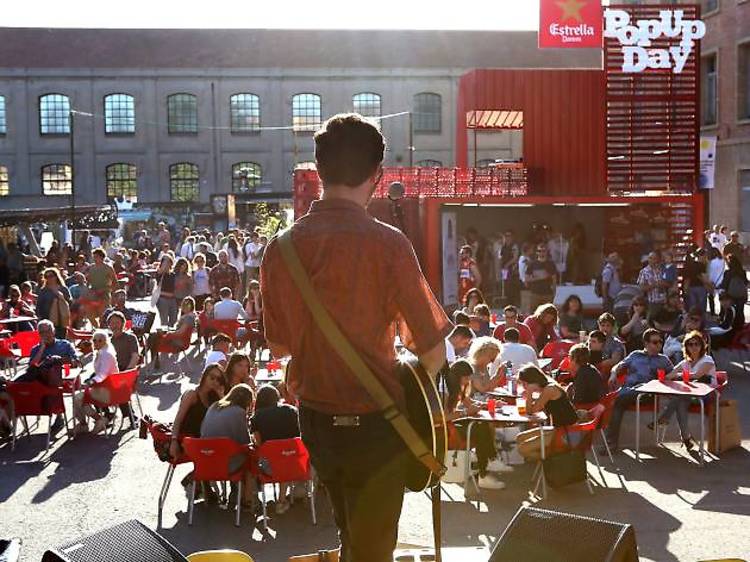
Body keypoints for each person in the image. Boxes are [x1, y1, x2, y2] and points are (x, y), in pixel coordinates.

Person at [260, 113, 450, 562]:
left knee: (351, 534)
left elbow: (279, 347)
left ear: (319, 170)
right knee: (374, 547)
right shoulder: (388, 244)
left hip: (318, 421)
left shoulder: (281, 248)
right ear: (377, 176)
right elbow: (434, 351)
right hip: (377, 423)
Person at [603, 329, 673, 452]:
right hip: (629, 390)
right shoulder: (635, 355)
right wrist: (613, 374)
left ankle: (610, 443)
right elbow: (618, 366)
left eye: (660, 342)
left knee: (617, 400)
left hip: (648, 392)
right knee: (617, 401)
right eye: (655, 342)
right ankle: (610, 442)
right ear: (646, 343)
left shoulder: (663, 360)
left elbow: (673, 375)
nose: (659, 345)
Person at [443, 360, 508, 490]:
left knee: (482, 424)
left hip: (454, 424)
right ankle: (486, 469)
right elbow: (444, 417)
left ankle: (489, 462)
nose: (468, 381)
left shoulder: (458, 389)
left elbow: (469, 402)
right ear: (457, 376)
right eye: (466, 377)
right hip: (447, 430)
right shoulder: (447, 392)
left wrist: (487, 404)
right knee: (479, 429)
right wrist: (466, 413)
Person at [649, 331, 716, 450]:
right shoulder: (685, 362)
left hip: (706, 395)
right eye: (691, 344)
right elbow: (670, 375)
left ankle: (663, 419)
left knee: (679, 398)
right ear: (686, 347)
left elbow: (696, 375)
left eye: (697, 344)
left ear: (702, 346)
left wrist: (679, 375)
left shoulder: (708, 359)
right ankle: (686, 438)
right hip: (689, 395)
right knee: (680, 402)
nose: (694, 347)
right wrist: (661, 377)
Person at [16, 319, 78, 435]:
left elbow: (77, 362)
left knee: (53, 381)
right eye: (42, 332)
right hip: (41, 382)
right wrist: (42, 349)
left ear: (53, 331)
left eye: (48, 331)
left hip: (63, 378)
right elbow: (31, 367)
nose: (46, 335)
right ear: (38, 334)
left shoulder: (64, 345)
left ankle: (58, 414)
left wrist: (61, 360)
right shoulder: (36, 349)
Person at [200, 383, 256, 508]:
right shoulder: (239, 412)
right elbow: (245, 442)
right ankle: (247, 499)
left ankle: (236, 493)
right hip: (226, 464)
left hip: (205, 460)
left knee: (232, 451)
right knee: (251, 458)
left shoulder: (214, 406)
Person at [251, 384, 302, 513]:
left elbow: (258, 443)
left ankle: (253, 499)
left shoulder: (257, 416)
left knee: (269, 457)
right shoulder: (292, 411)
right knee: (284, 456)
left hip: (269, 467)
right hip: (295, 464)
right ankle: (282, 499)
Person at [515, 364, 578, 460]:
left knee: (522, 449)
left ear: (533, 380)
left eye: (525, 384)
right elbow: (529, 411)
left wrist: (529, 393)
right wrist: (529, 393)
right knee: (519, 438)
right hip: (558, 428)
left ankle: (552, 461)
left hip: (568, 432)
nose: (524, 387)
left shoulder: (549, 389)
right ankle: (547, 458)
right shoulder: (544, 388)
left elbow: (531, 411)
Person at [72, 330, 119, 435]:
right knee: (77, 397)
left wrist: (90, 383)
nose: (96, 342)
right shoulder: (101, 352)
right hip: (103, 387)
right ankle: (85, 423)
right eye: (94, 340)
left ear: (106, 342)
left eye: (100, 340)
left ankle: (98, 420)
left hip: (108, 390)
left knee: (78, 398)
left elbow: (103, 374)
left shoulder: (106, 354)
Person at [147, 296, 196, 370]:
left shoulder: (188, 318)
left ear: (192, 306)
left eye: (188, 305)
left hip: (179, 342)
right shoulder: (187, 316)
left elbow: (181, 332)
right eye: (184, 305)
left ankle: (149, 360)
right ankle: (154, 363)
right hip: (178, 339)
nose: (185, 307)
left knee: (154, 339)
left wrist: (168, 334)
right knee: (153, 336)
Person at [36, 267, 71, 339]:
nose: (49, 278)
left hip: (62, 319)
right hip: (47, 319)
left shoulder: (63, 288)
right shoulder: (43, 290)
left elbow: (69, 302)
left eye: (51, 276)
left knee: (61, 338)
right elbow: (39, 305)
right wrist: (39, 317)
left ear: (56, 276)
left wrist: (60, 296)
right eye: (46, 276)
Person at [86, 248, 117, 325]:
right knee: (89, 314)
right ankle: (97, 329)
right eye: (94, 257)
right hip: (93, 294)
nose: (94, 259)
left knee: (102, 315)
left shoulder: (108, 268)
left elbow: (115, 283)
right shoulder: (91, 268)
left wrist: (106, 290)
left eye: (96, 257)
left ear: (101, 257)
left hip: (104, 295)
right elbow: (88, 281)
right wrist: (88, 290)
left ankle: (102, 331)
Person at [524, 243, 557, 310]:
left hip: (547, 294)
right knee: (534, 315)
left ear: (546, 252)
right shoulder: (532, 264)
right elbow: (526, 279)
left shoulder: (551, 264)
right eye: (539, 251)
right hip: (535, 294)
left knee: (548, 314)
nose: (541, 253)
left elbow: (554, 279)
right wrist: (539, 277)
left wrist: (554, 292)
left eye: (543, 251)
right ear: (536, 252)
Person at [720, 254, 748, 327]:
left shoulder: (728, 272)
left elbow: (725, 284)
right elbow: (745, 282)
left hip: (731, 295)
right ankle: (740, 324)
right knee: (740, 311)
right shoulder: (742, 271)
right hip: (742, 295)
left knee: (730, 310)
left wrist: (722, 292)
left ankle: (730, 325)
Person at [637, 252, 666, 318]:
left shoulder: (662, 270)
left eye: (654, 258)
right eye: (650, 258)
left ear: (658, 260)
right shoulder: (644, 272)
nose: (652, 260)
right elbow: (642, 288)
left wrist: (664, 283)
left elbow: (669, 283)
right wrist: (654, 285)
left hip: (664, 301)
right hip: (652, 303)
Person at [683, 249, 710, 315]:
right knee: (701, 308)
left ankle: (692, 321)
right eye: (705, 256)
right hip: (700, 287)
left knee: (692, 307)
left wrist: (685, 287)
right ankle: (701, 322)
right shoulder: (702, 265)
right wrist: (710, 286)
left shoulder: (691, 264)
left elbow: (687, 277)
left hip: (691, 287)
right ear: (702, 256)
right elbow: (704, 278)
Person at [154, 254, 178, 328]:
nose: (167, 264)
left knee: (174, 319)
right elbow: (160, 271)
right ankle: (164, 336)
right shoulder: (160, 274)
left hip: (172, 298)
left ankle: (170, 332)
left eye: (168, 262)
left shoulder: (173, 275)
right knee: (164, 320)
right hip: (162, 298)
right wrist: (165, 258)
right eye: (165, 262)